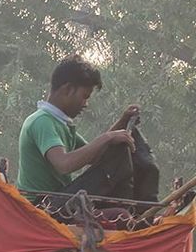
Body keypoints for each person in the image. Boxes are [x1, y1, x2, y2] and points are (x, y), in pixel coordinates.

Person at [16, 55, 155, 202]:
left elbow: (96, 156)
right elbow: (64, 164)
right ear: (68, 89)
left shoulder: (60, 123)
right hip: (42, 205)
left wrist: (123, 121)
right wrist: (108, 137)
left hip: (57, 199)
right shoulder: (42, 121)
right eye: (85, 96)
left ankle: (137, 204)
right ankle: (134, 206)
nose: (86, 104)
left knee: (118, 149)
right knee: (116, 158)